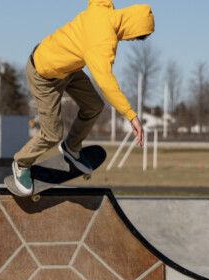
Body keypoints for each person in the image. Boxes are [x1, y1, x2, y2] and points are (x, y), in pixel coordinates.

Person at [10, 0, 154, 196]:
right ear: (132, 28)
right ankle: (21, 163)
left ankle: (71, 147)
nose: (134, 41)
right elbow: (107, 83)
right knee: (52, 133)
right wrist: (131, 115)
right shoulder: (103, 42)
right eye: (137, 37)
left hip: (68, 70)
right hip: (43, 75)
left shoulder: (102, 7)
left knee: (94, 106)